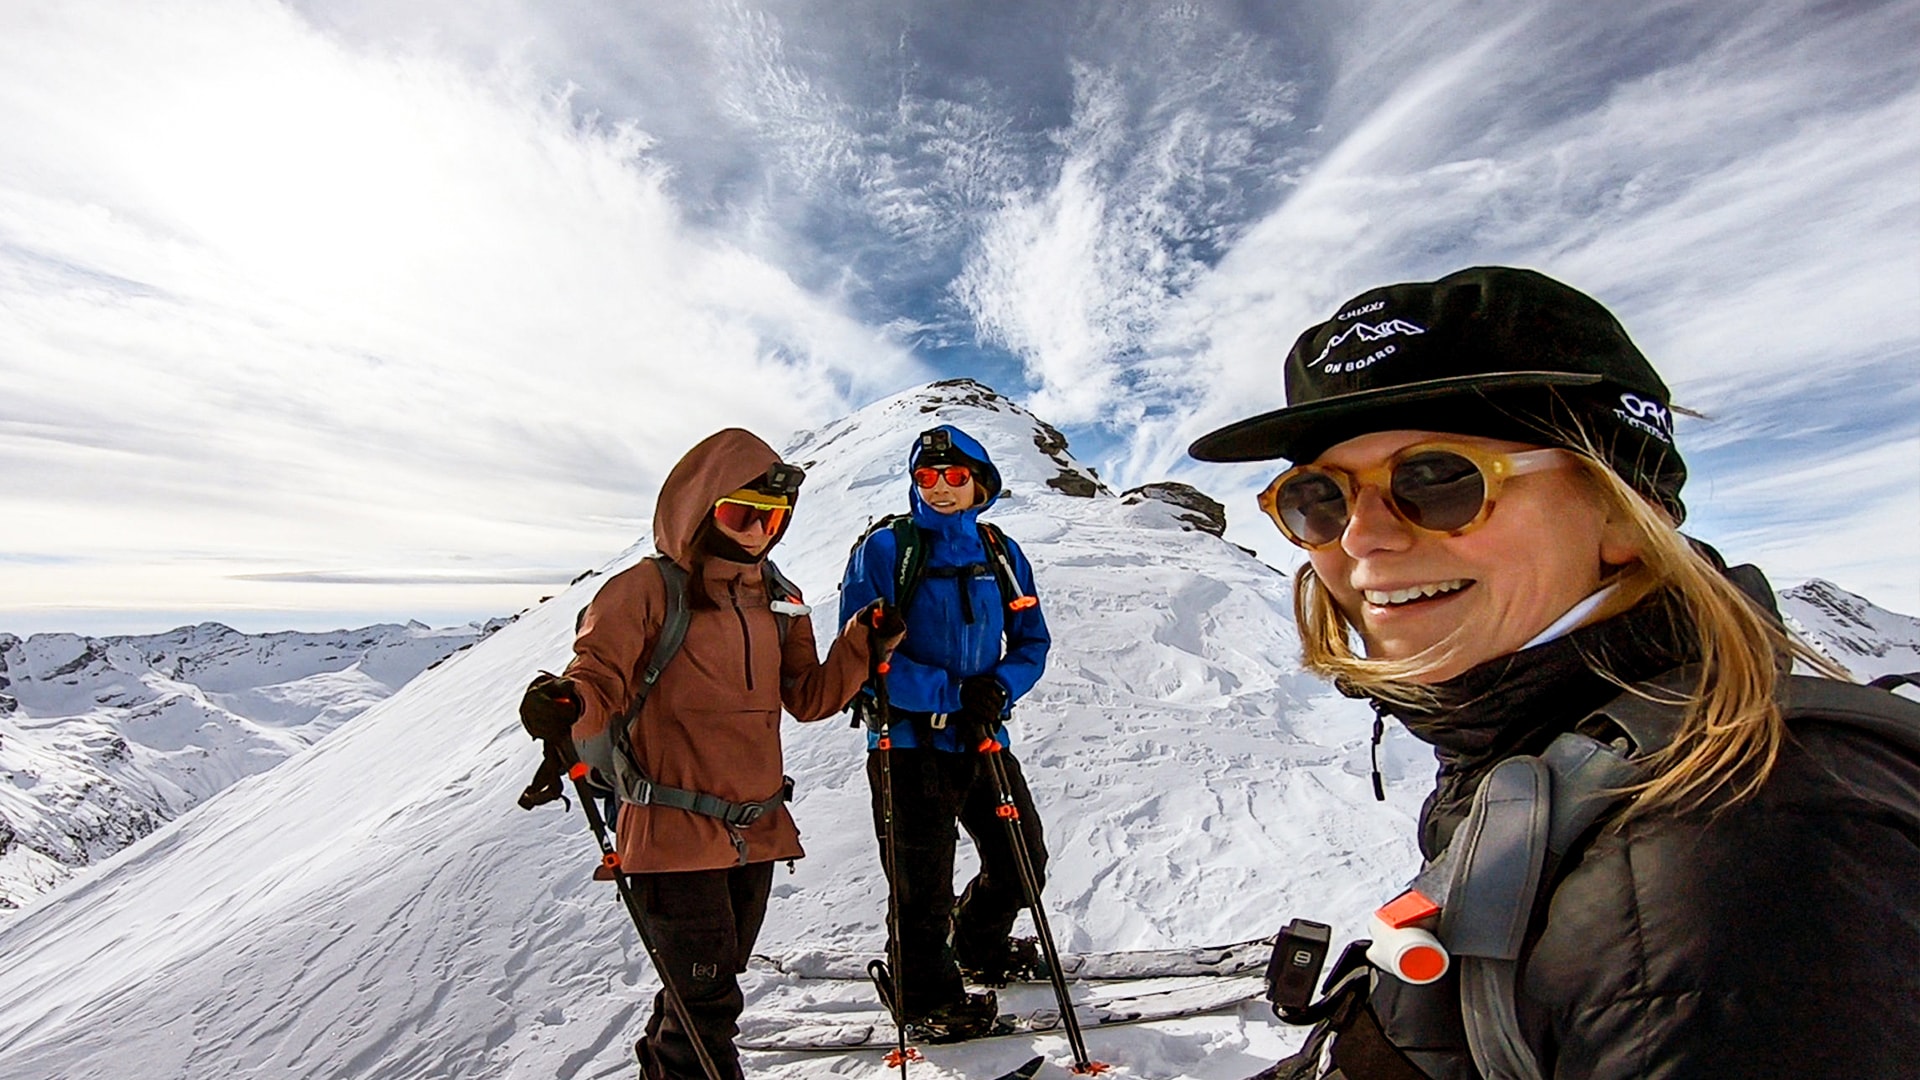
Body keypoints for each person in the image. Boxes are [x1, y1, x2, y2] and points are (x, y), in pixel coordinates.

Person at [1189, 266, 1920, 1080]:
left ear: (1619, 511)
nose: (1360, 538)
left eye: (1435, 479)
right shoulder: (1540, 746)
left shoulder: (1740, 857)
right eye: (1318, 497)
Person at [518, 428, 898, 1080]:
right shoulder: (644, 590)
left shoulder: (780, 597)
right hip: (668, 830)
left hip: (756, 830)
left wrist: (862, 644)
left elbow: (807, 698)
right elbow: (599, 676)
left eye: (772, 517)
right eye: (740, 512)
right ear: (699, 511)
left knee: (699, 991)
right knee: (708, 999)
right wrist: (567, 702)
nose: (757, 531)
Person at [838, 424, 1053, 1040]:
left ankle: (978, 947)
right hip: (907, 744)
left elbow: (1032, 640)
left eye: (955, 477)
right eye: (926, 477)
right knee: (919, 887)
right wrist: (952, 693)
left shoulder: (1001, 554)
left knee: (1022, 863)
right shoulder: (886, 551)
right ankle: (924, 997)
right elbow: (866, 654)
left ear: (979, 484)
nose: (939, 488)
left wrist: (1003, 685)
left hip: (981, 738)